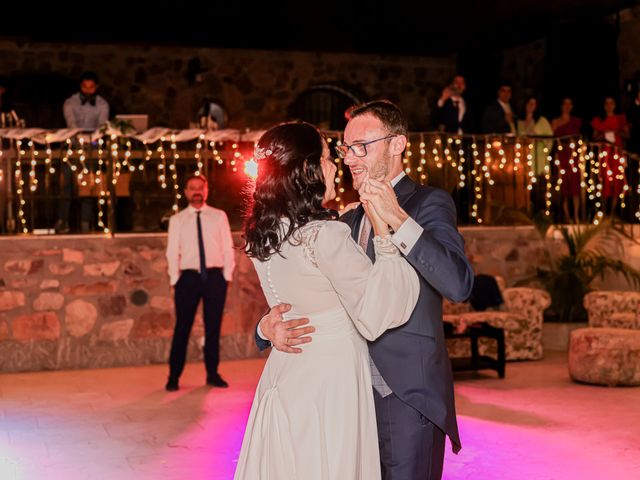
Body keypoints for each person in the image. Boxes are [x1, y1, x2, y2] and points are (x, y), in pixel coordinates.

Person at [256, 101, 474, 479]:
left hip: (405, 393)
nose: (350, 159)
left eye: (362, 146)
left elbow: (458, 284)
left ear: (397, 144)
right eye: (345, 149)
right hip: (345, 396)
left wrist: (398, 219)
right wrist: (265, 329)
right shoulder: (343, 219)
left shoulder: (428, 203)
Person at [235, 121, 419, 479]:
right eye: (326, 156)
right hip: (329, 378)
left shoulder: (264, 236)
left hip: (286, 370)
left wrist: (264, 327)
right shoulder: (324, 235)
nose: (335, 165)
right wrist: (385, 241)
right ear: (308, 170)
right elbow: (377, 312)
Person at [165, 174, 235, 391]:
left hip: (215, 277)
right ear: (185, 192)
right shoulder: (177, 220)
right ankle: (174, 376)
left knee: (213, 327)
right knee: (182, 328)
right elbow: (171, 252)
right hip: (188, 278)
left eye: (200, 188)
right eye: (192, 188)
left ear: (206, 191)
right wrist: (175, 279)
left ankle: (212, 373)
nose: (196, 192)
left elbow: (227, 246)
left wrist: (226, 276)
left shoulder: (219, 216)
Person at [57, 71, 110, 233]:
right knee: (66, 186)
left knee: (89, 185)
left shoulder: (102, 104)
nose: (88, 90)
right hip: (71, 148)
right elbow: (71, 124)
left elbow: (102, 126)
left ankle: (86, 223)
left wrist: (91, 140)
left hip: (92, 150)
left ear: (96, 87)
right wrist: (81, 138)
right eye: (85, 87)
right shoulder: (70, 102)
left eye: (91, 87)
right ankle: (62, 221)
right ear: (81, 86)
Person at [591, 96, 629, 216]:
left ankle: (613, 213)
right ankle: (603, 212)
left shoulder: (619, 119)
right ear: (604, 106)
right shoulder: (600, 120)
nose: (609, 105)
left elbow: (627, 134)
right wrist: (603, 133)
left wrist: (617, 131)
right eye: (607, 103)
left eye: (611, 103)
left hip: (617, 153)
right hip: (605, 154)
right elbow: (594, 138)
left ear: (614, 105)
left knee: (617, 183)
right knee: (604, 182)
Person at [551, 97, 584, 223]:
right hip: (561, 156)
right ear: (561, 106)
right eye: (565, 103)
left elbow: (579, 138)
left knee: (575, 186)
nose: (567, 106)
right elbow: (553, 139)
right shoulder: (555, 121)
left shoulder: (576, 121)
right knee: (563, 186)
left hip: (574, 156)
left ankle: (576, 215)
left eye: (569, 104)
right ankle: (566, 215)